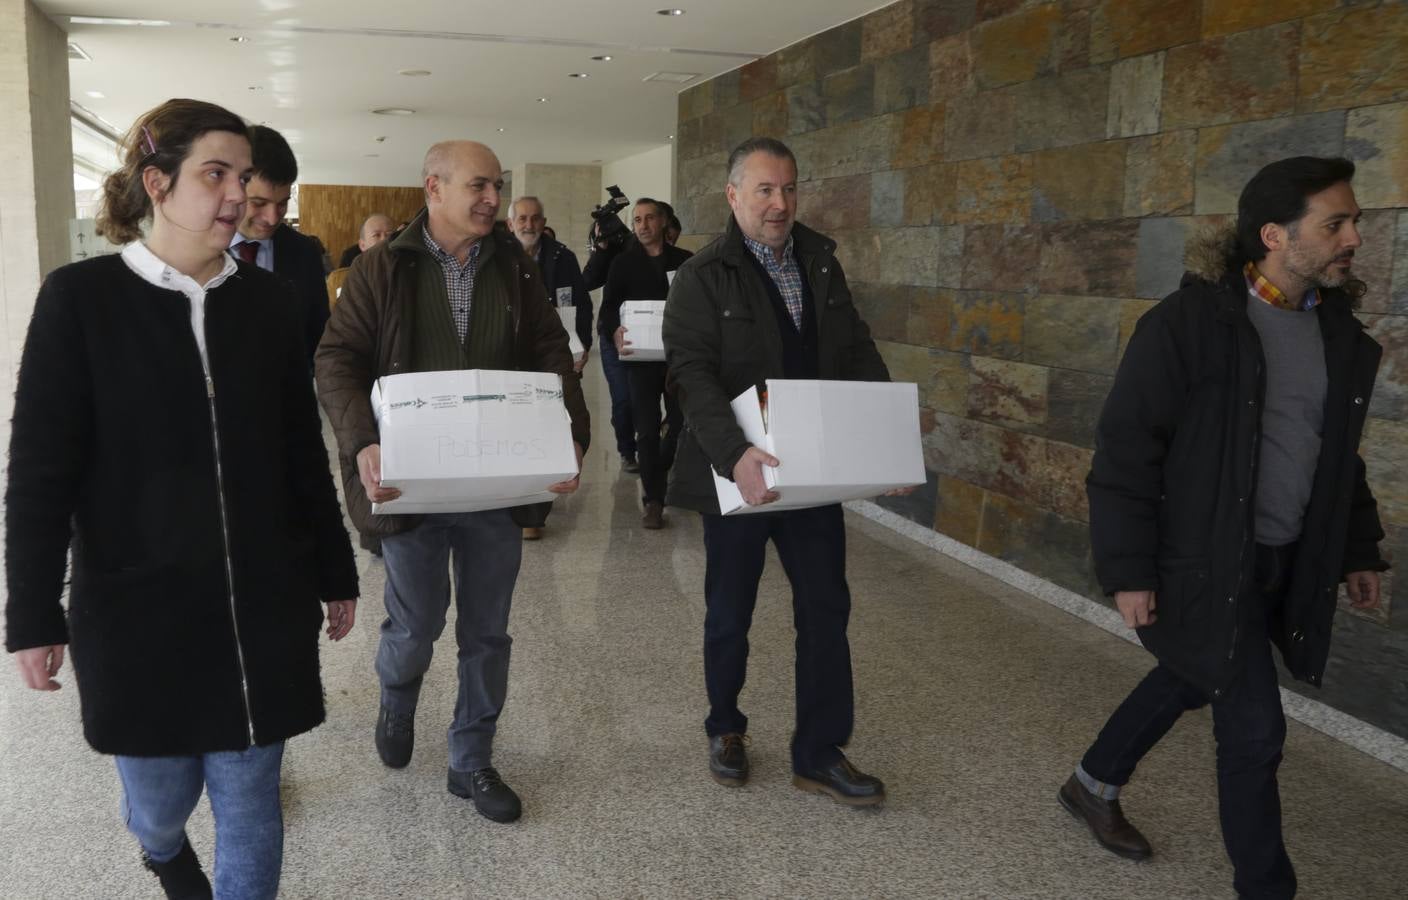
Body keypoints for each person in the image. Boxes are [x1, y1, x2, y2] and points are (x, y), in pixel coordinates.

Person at [4, 98, 359, 900]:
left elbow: (299, 447)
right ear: (157, 184)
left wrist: (335, 568)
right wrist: (30, 612)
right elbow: (38, 471)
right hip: (140, 613)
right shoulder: (81, 300)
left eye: (245, 176)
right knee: (160, 805)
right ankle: (161, 852)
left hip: (261, 604)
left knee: (250, 797)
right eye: (216, 174)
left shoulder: (269, 304)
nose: (237, 195)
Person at [1061, 156, 1387, 900]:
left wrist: (1357, 549)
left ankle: (1090, 785)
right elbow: (1126, 452)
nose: (1353, 239)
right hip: (1204, 562)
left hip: (1288, 556)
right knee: (1255, 732)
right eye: (1334, 224)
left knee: (1189, 672)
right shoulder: (1189, 327)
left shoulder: (1338, 335)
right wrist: (1128, 570)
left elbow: (1337, 455)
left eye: (1354, 222)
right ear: (1274, 235)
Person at [315, 140, 589, 825]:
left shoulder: (515, 270)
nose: (492, 199)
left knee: (488, 632)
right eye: (479, 186)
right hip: (412, 483)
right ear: (433, 188)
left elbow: (553, 352)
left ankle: (472, 760)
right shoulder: (381, 268)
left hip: (495, 487)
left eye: (497, 185)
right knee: (417, 624)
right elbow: (336, 358)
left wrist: (569, 437)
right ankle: (397, 693)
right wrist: (363, 442)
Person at [663, 137, 909, 805]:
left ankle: (819, 752)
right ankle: (725, 726)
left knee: (826, 609)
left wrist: (883, 440)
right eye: (766, 190)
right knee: (729, 612)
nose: (780, 203)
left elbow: (856, 351)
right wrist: (734, 454)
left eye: (790, 189)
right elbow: (691, 375)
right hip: (740, 474)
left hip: (813, 472)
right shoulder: (702, 276)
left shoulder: (821, 262)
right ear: (734, 195)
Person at [508, 195, 594, 540]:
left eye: (535, 218)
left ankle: (534, 509)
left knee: (551, 426)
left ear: (544, 222)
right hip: (513, 358)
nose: (529, 225)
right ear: (511, 223)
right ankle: (521, 502)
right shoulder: (498, 258)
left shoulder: (562, 257)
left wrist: (582, 344)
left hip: (556, 353)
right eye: (522, 219)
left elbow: (581, 304)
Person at [606, 198, 693, 528]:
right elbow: (609, 309)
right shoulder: (623, 264)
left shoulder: (685, 263)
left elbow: (698, 308)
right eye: (637, 219)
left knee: (679, 424)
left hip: (678, 359)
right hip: (640, 361)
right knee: (645, 429)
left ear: (663, 222)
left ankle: (660, 469)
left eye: (649, 218)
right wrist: (614, 331)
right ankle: (653, 500)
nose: (642, 225)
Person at [229, 124, 329, 363]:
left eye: (282, 203)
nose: (273, 218)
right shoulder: (200, 250)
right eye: (259, 203)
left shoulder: (305, 253)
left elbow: (319, 336)